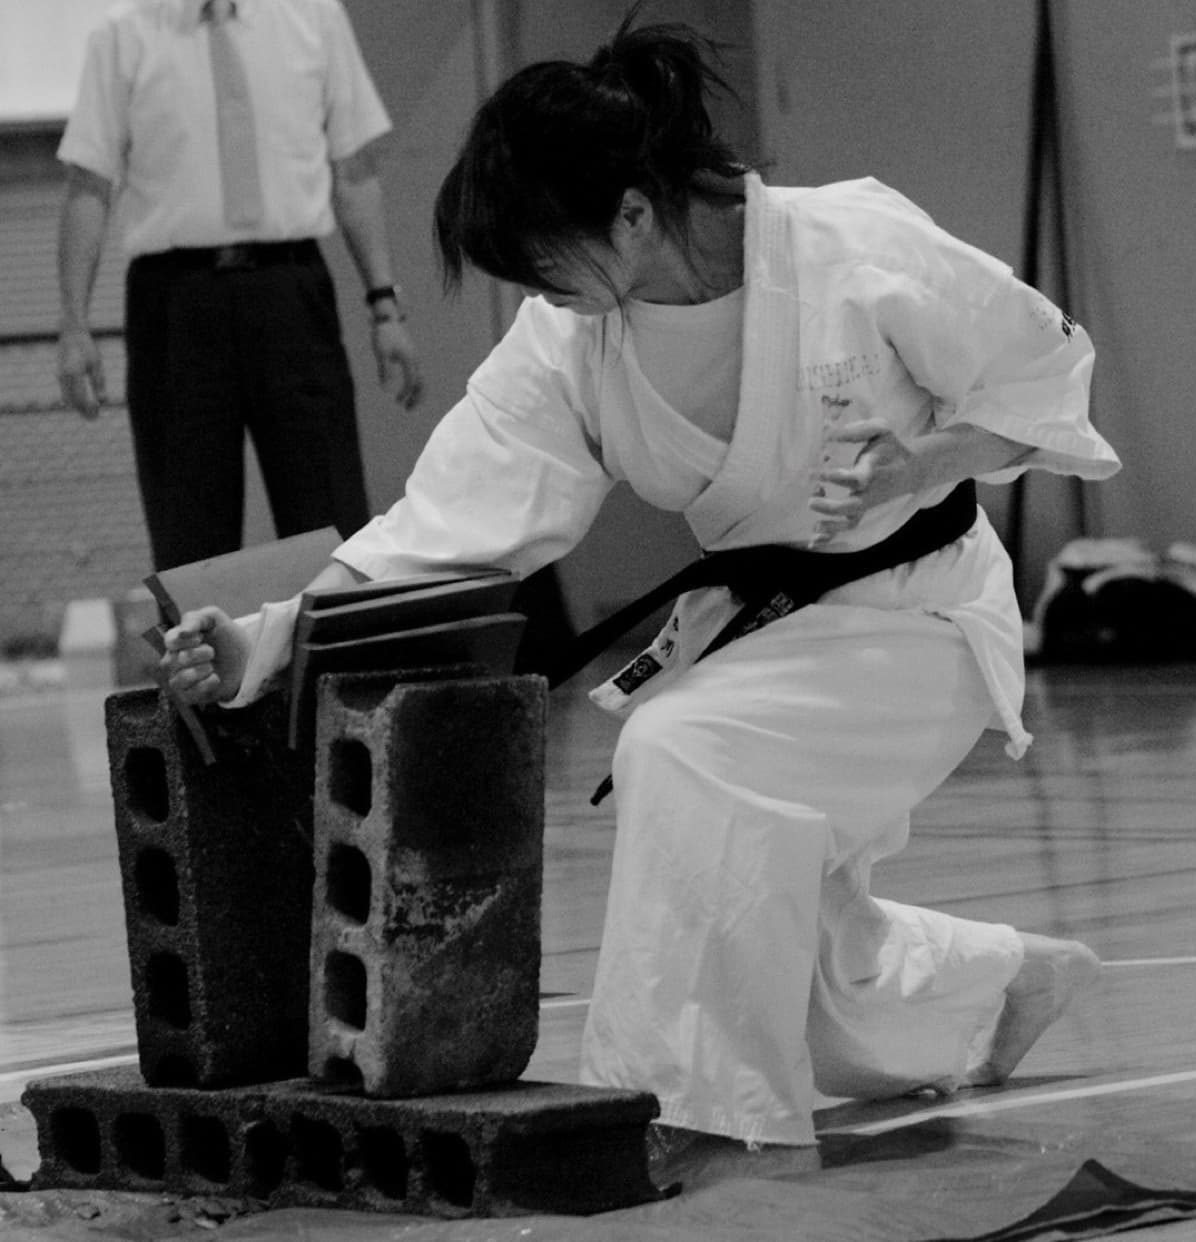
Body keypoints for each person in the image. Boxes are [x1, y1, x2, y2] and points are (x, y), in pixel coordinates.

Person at [162, 14, 1120, 1185]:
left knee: (681, 750)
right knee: (790, 967)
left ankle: (699, 1115)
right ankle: (1005, 982)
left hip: (923, 616)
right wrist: (266, 637)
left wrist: (931, 455)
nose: (545, 296)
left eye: (547, 262)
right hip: (775, 632)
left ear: (629, 214)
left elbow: (1048, 367)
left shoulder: (850, 245)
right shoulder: (570, 340)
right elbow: (440, 526)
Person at [56, 0, 421, 572]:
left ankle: (333, 661)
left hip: (291, 292)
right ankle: (208, 661)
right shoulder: (121, 37)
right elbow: (88, 187)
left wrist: (385, 308)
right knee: (189, 541)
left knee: (331, 524)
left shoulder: (314, 18)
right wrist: (74, 325)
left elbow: (354, 172)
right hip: (175, 306)